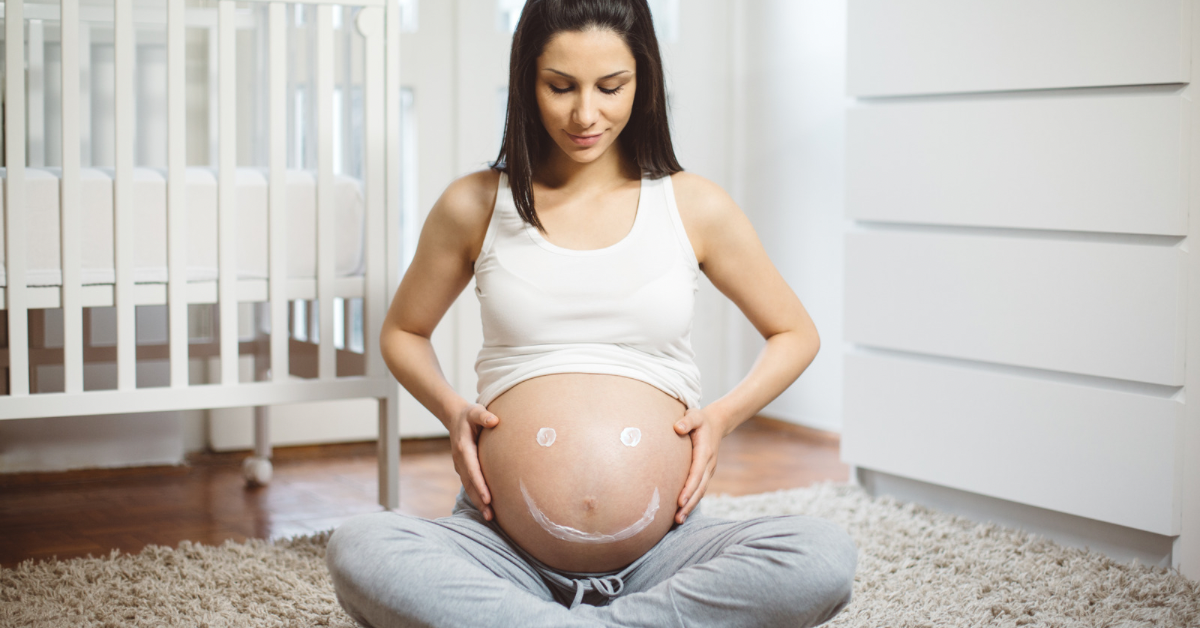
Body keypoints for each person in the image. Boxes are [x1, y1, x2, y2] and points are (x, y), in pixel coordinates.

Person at [325, 0, 857, 625]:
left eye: (611, 87)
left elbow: (795, 332)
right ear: (528, 82)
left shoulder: (693, 206)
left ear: (644, 80)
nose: (585, 114)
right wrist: (451, 412)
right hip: (499, 548)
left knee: (821, 556)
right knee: (360, 547)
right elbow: (404, 331)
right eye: (560, 87)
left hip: (666, 550)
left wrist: (719, 419)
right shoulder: (475, 203)